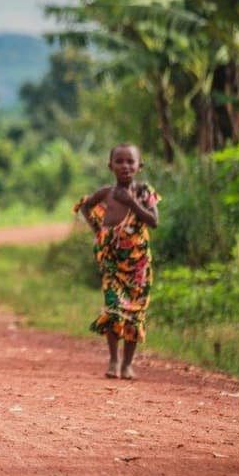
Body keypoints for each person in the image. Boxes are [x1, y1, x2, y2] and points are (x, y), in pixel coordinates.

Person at [75, 143, 159, 380]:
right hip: (112, 265)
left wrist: (132, 202)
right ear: (110, 165)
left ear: (139, 166)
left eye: (130, 161)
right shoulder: (106, 193)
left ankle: (128, 364)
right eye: (119, 161)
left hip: (139, 265)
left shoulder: (144, 192)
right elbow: (86, 205)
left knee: (134, 313)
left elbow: (153, 221)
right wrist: (98, 231)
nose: (125, 166)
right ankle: (114, 359)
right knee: (113, 309)